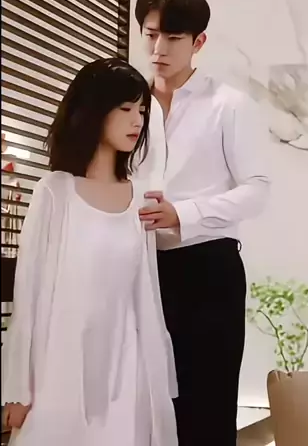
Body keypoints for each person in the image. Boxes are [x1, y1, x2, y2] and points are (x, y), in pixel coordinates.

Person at [1, 58, 178, 446]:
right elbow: (28, 295)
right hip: (61, 363)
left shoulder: (141, 199)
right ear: (95, 111)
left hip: (126, 367)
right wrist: (18, 388)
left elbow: (148, 294)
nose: (137, 121)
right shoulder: (55, 192)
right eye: (126, 108)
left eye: (142, 111)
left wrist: (157, 378)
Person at [134, 0, 271, 446]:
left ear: (198, 42)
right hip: (137, 270)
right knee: (140, 405)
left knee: (206, 407)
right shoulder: (128, 106)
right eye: (151, 34)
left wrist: (183, 214)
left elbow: (257, 190)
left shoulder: (229, 105)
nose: (159, 48)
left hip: (206, 270)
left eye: (173, 38)